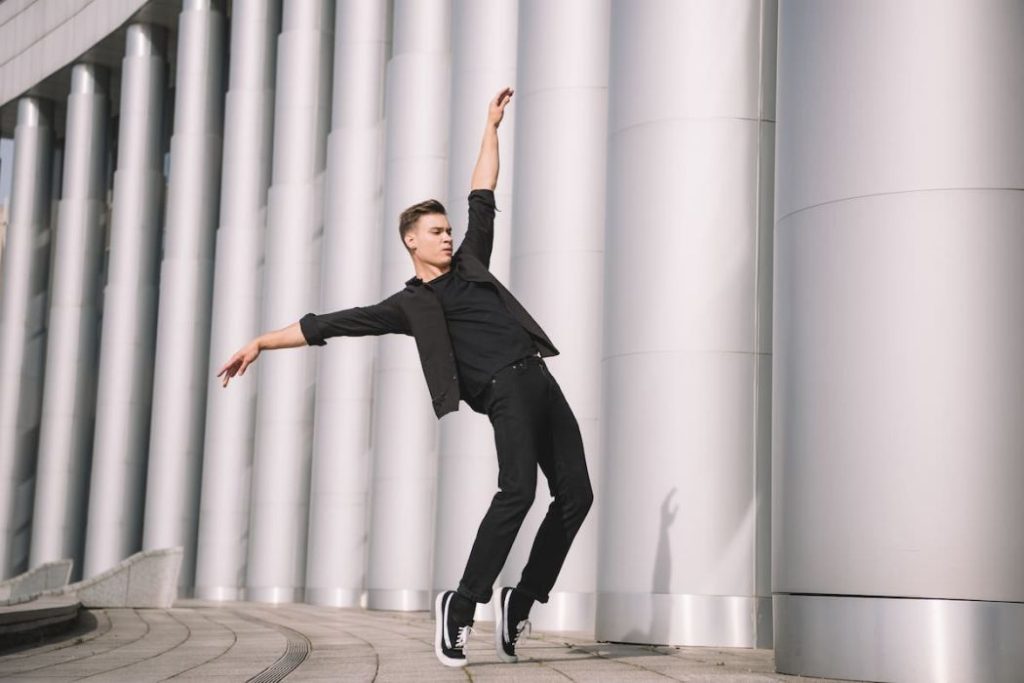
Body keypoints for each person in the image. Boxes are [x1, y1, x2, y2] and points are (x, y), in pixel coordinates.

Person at [217, 86, 593, 668]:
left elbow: (483, 193)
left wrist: (491, 127)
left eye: (448, 229)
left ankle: (521, 599)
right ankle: (462, 605)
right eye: (436, 231)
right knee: (518, 491)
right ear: (411, 241)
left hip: (540, 379)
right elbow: (331, 324)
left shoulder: (472, 263)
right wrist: (263, 341)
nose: (447, 235)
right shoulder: (410, 304)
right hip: (502, 390)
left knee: (576, 495)